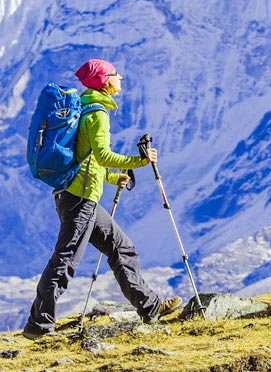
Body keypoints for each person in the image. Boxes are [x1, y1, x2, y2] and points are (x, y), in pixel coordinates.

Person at [23, 59, 182, 339]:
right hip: (80, 200)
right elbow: (103, 155)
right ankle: (39, 325)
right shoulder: (98, 114)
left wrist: (112, 178)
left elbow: (88, 161)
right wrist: (141, 161)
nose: (120, 78)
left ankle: (151, 306)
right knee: (65, 260)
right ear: (104, 82)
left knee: (122, 248)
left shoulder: (85, 107)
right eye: (115, 75)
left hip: (76, 195)